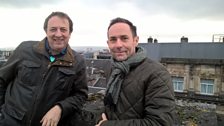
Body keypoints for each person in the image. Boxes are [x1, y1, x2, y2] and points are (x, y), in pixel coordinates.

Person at [0, 11, 88, 126]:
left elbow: (80, 95)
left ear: (70, 33)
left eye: (63, 29)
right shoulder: (25, 50)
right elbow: (2, 79)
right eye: (53, 29)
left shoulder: (77, 62)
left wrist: (60, 108)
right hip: (10, 121)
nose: (58, 34)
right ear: (46, 31)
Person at [96, 17, 176, 126]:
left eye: (124, 38)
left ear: (135, 41)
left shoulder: (157, 73)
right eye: (113, 39)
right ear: (108, 43)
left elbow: (161, 123)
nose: (118, 45)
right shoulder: (114, 69)